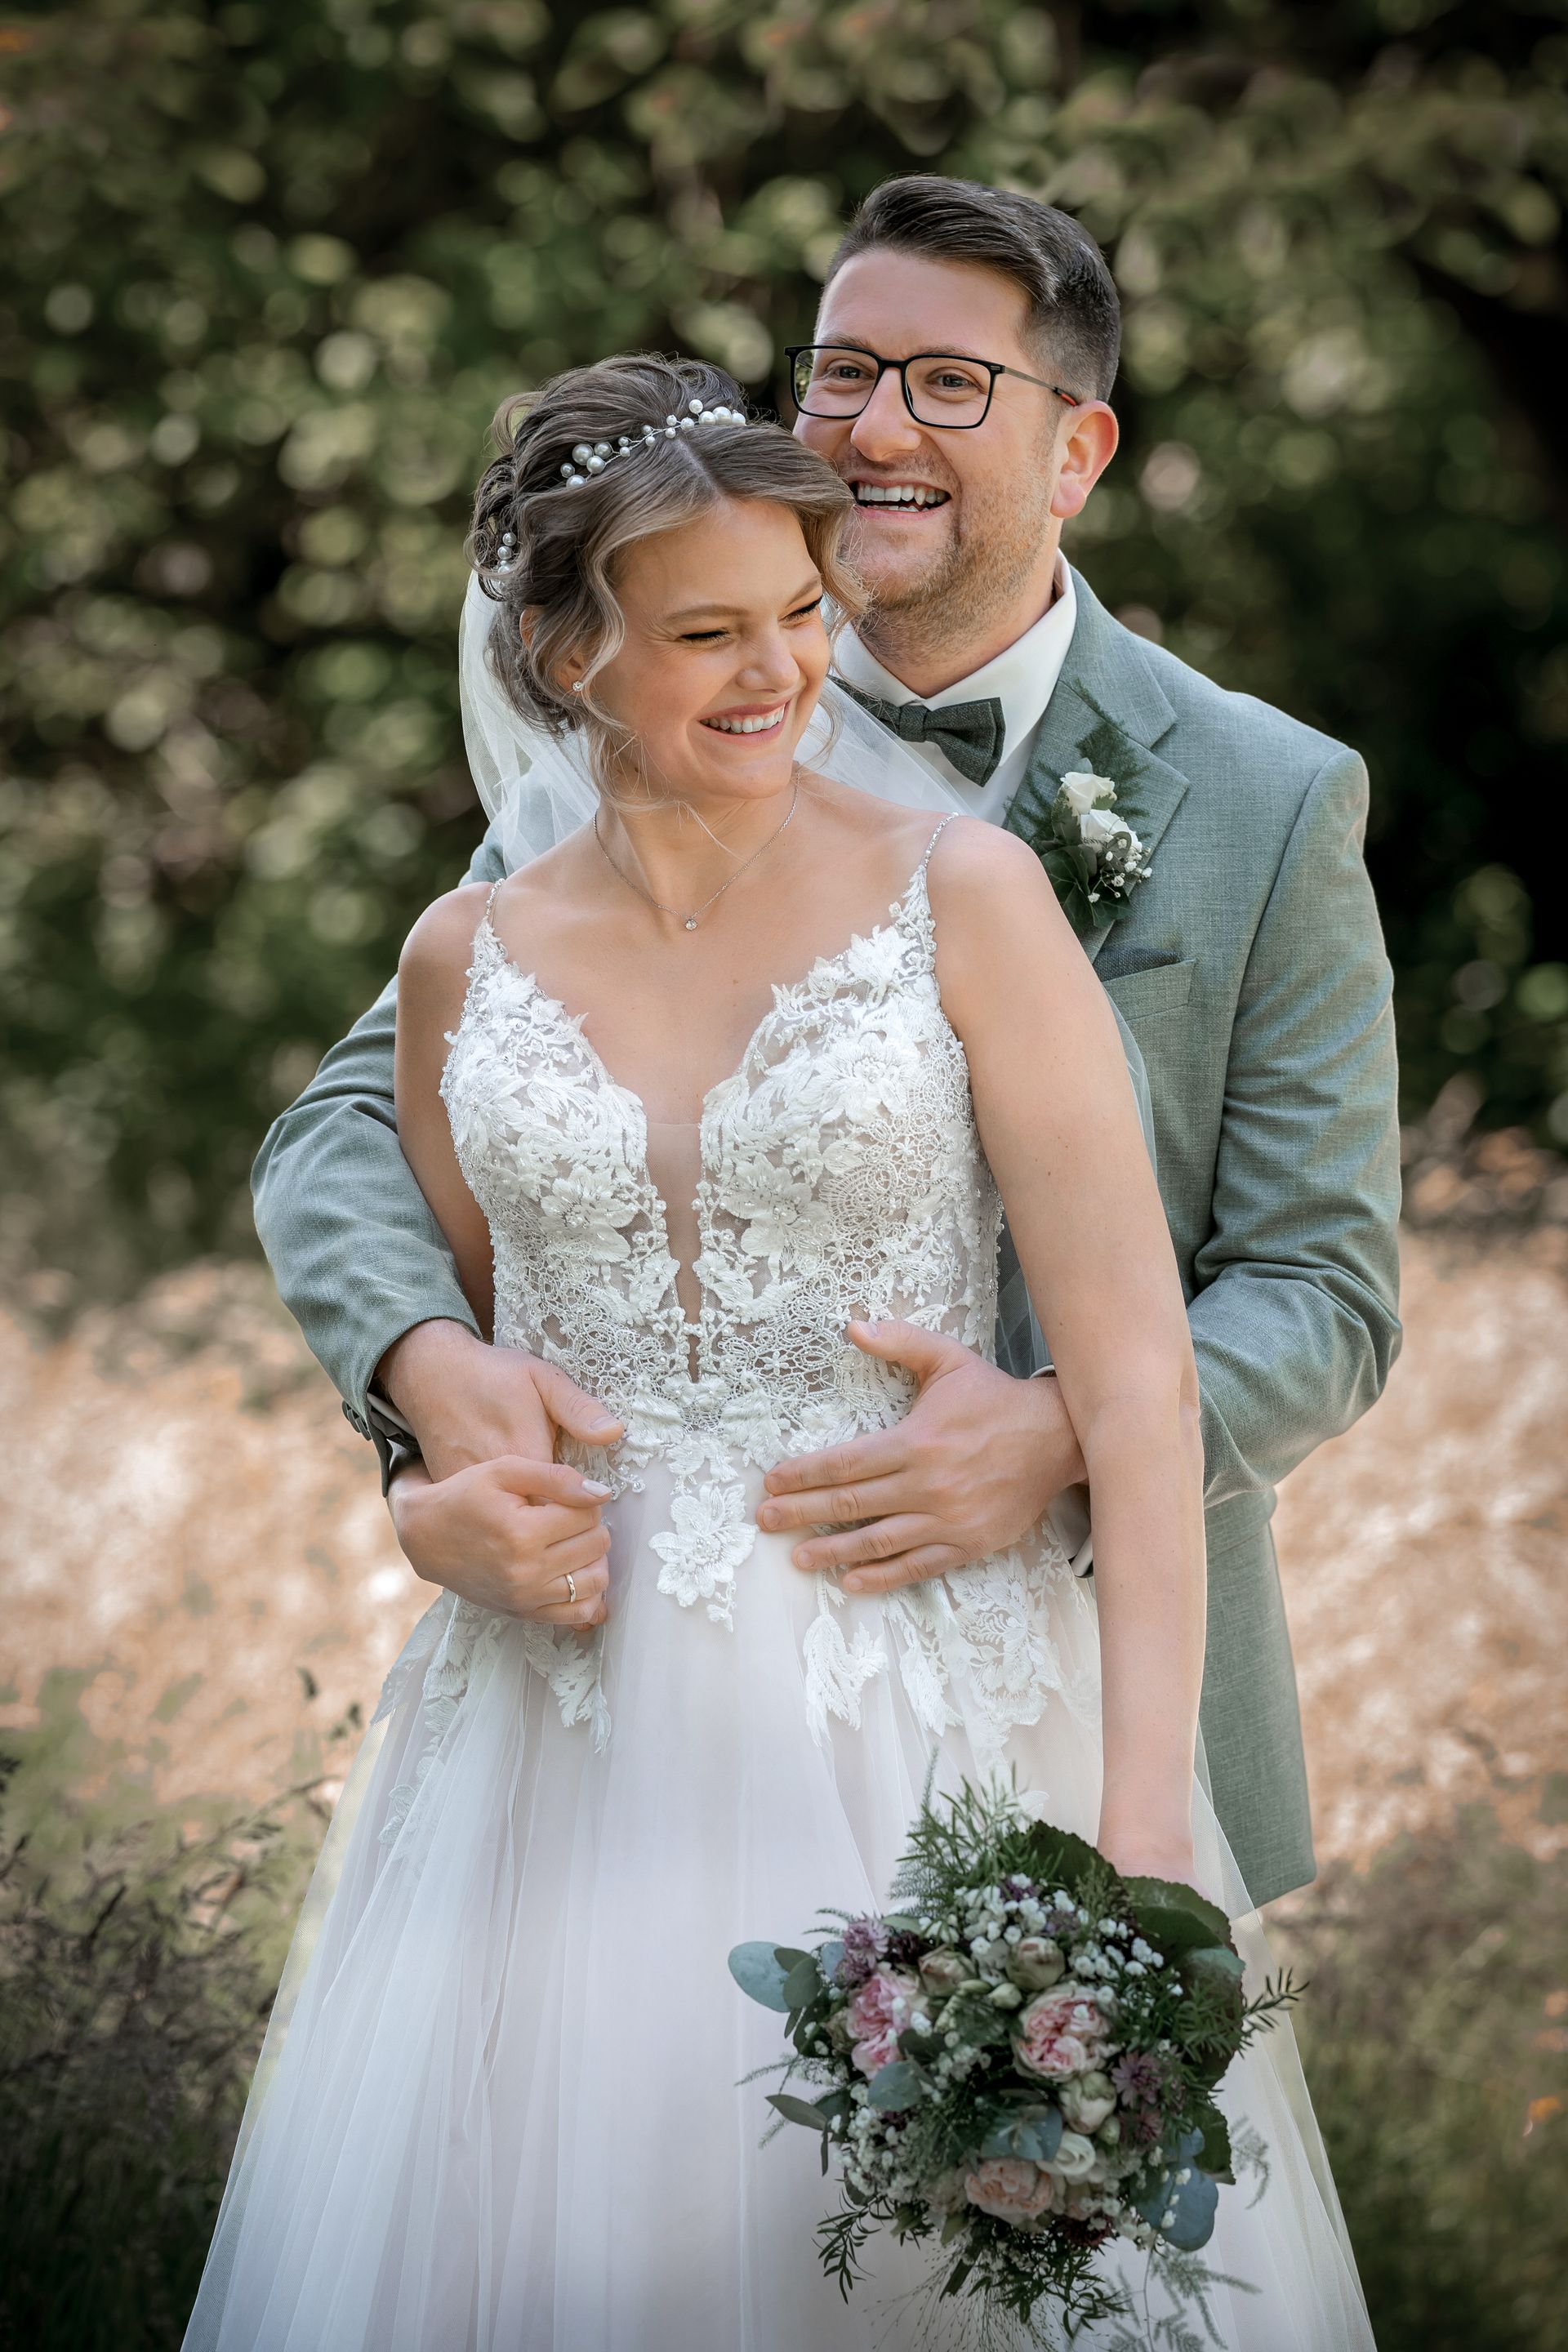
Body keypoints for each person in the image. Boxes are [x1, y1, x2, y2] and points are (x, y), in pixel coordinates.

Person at [185, 353, 1372, 2351]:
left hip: (923, 1698)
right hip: (556, 1742)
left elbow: (1140, 1384)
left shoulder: (964, 898)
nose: (782, 672)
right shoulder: (461, 961)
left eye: (804, 614)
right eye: (707, 634)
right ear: (562, 654)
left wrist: (1145, 1836)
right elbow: (483, 1383)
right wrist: (422, 1499)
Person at [252, 177, 1401, 1914]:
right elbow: (361, 1127)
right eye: (843, 369)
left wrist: (1061, 1431)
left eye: (951, 384)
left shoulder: (1268, 796)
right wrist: (424, 1386)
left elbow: (1326, 1286)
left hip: (1072, 1681)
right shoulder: (645, 726)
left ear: (1078, 451)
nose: (874, 428)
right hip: (622, 1695)